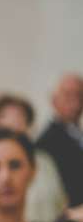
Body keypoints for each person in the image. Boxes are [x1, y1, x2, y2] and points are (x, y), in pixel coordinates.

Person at [0, 94, 67, 222]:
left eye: (20, 116)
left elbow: (60, 203)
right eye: (6, 117)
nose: (14, 122)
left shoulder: (43, 159)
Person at [36, 73, 83, 207]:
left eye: (79, 95)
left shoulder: (77, 134)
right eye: (68, 95)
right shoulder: (47, 141)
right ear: (53, 99)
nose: (75, 101)